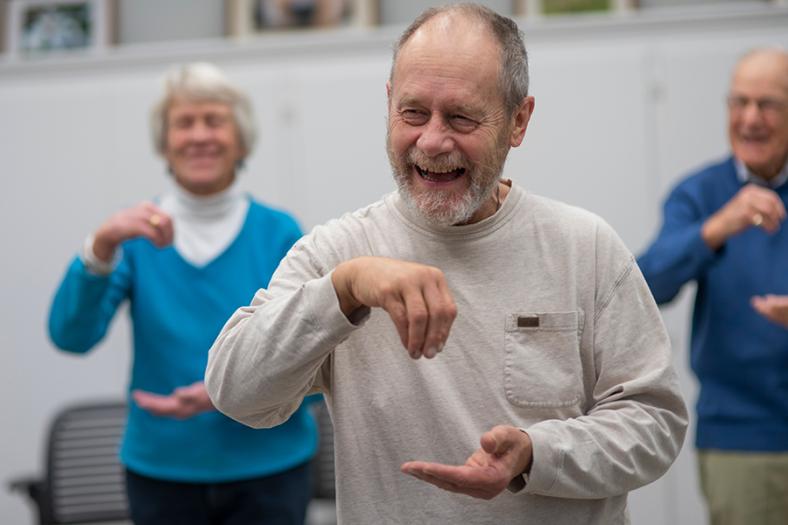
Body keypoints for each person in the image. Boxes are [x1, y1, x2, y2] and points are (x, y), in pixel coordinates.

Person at [206, 5, 688, 524]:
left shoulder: (584, 248)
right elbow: (237, 393)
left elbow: (654, 421)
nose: (433, 141)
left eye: (461, 117)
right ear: (389, 103)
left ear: (518, 121)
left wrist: (537, 452)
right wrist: (344, 291)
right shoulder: (340, 254)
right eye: (413, 113)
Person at [48, 62, 316, 525]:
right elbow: (72, 336)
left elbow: (314, 358)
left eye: (214, 120)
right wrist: (99, 247)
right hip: (162, 473)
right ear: (165, 144)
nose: (199, 135)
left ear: (241, 140)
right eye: (184, 122)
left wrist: (227, 393)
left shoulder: (278, 232)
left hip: (271, 471)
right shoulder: (129, 236)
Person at [637, 48, 788, 524]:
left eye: (768, 105)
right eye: (739, 102)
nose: (750, 118)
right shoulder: (700, 194)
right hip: (742, 439)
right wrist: (717, 227)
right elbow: (646, 283)